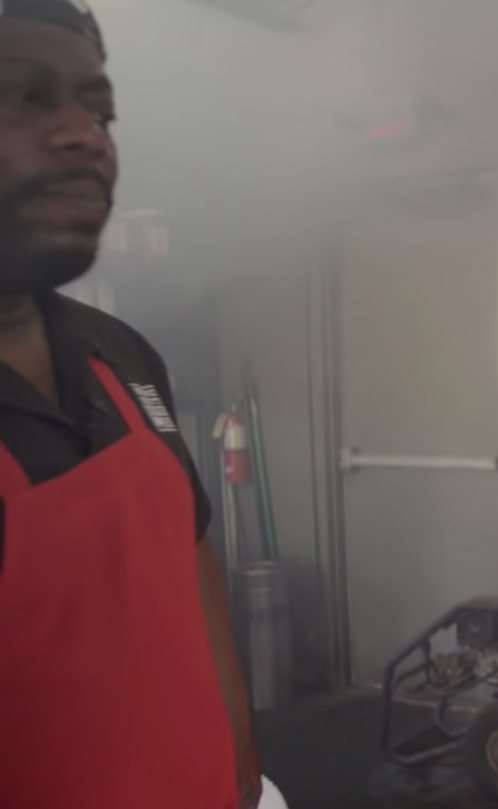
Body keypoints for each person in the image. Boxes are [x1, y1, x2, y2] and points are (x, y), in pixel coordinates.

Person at [0, 3, 262, 808]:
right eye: (23, 96)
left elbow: (187, 549)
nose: (87, 134)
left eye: (100, 108)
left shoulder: (118, 351)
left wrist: (241, 762)